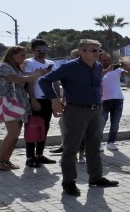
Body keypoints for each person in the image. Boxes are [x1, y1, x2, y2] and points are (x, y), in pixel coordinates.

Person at [39, 39, 120, 197]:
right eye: (93, 50)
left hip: (96, 110)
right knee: (71, 149)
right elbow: (44, 80)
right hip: (76, 111)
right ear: (82, 52)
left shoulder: (97, 67)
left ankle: (95, 178)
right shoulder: (70, 67)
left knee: (94, 147)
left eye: (98, 50)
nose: (98, 53)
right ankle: (69, 183)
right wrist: (54, 100)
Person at [0, 46, 46, 170]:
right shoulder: (4, 66)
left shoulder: (17, 68)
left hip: (19, 103)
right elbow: (16, 79)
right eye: (22, 55)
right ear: (12, 55)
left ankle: (6, 160)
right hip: (8, 102)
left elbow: (26, 81)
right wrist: (34, 76)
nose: (24, 58)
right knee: (13, 133)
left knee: (15, 134)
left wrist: (36, 75)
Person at [22, 39, 58, 168]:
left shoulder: (51, 63)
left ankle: (40, 155)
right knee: (32, 127)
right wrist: (32, 99)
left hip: (49, 99)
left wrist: (57, 99)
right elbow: (28, 82)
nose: (42, 52)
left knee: (45, 127)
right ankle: (30, 157)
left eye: (45, 49)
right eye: (39, 50)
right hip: (36, 99)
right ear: (33, 50)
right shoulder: (29, 63)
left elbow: (55, 82)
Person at [99, 52, 130, 152]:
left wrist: (127, 67)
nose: (106, 62)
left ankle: (111, 142)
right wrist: (107, 70)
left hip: (117, 99)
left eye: (108, 60)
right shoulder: (96, 70)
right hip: (103, 100)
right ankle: (98, 143)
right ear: (99, 61)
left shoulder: (118, 70)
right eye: (104, 60)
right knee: (101, 122)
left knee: (115, 123)